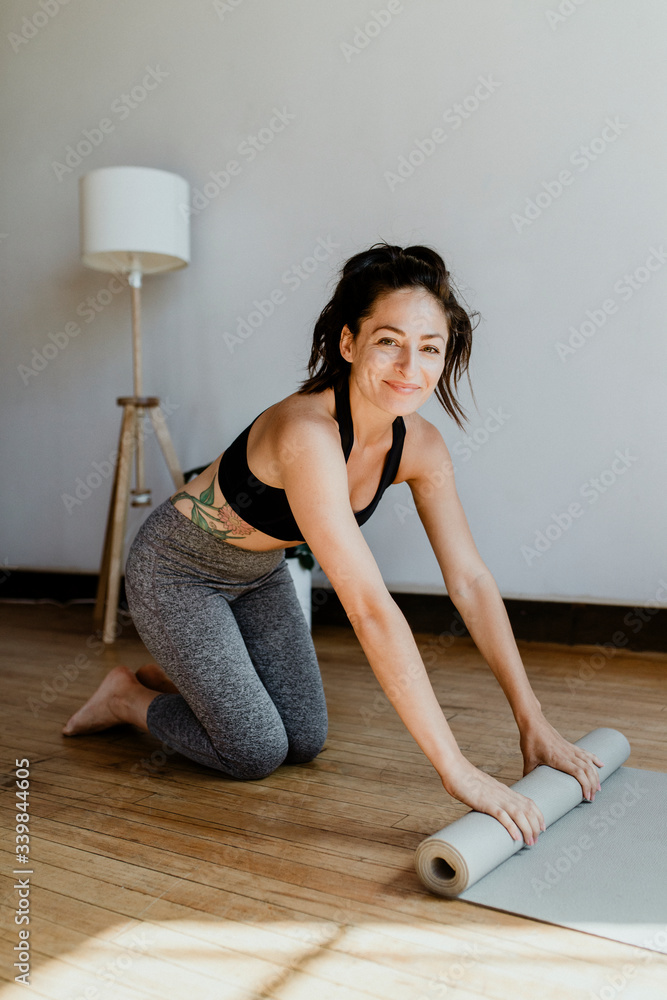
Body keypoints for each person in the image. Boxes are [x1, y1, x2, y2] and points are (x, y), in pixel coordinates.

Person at [63, 242, 603, 848]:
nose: (410, 367)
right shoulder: (306, 433)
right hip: (177, 572)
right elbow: (369, 607)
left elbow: (470, 582)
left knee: (305, 738)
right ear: (349, 343)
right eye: (388, 341)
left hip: (258, 575)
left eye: (430, 348)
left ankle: (198, 675)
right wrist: (459, 773)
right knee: (256, 750)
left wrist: (533, 724)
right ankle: (127, 698)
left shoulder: (421, 448)